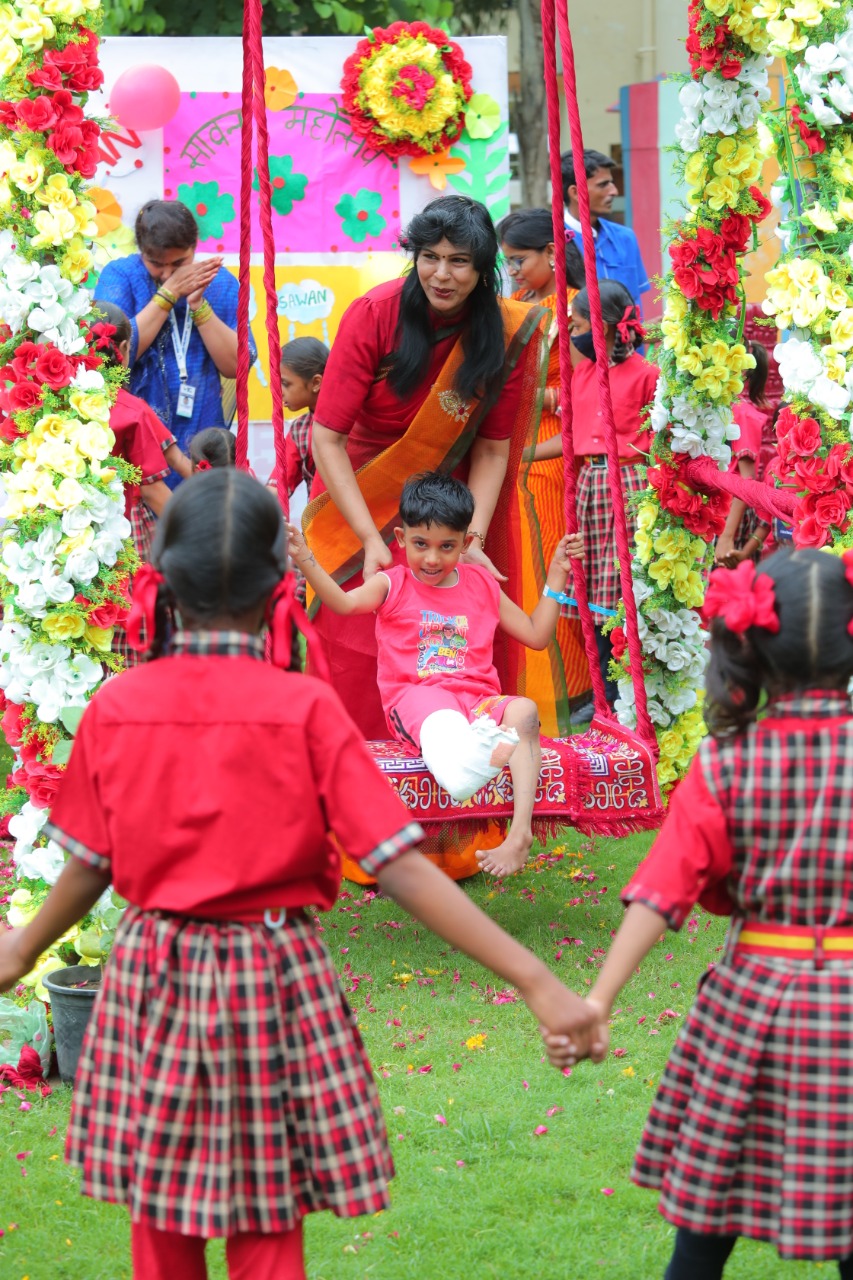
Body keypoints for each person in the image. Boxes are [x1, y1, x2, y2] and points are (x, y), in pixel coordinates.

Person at [0, 469, 596, 1280]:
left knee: (161, 1219)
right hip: (270, 970)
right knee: (266, 1215)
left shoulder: (118, 705)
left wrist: (21, 948)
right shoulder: (305, 709)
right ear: (279, 579)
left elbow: (89, 865)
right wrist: (536, 980)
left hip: (153, 973)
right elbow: (401, 870)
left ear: (162, 577)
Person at [545, 548, 853, 1278]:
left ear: (746, 644)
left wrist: (596, 1001)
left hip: (754, 1001)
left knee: (706, 1218)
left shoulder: (725, 763)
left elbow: (662, 891)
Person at [305, 195, 566, 739]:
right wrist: (370, 539)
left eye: (459, 261)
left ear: (484, 266)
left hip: (449, 512)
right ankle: (355, 797)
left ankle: (453, 805)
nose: (441, 275)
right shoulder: (374, 314)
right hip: (362, 497)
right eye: (430, 257)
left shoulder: (503, 329)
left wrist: (470, 539)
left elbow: (494, 450)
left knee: (456, 645)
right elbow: (327, 438)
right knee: (353, 645)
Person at [291, 470, 584, 877]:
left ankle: (519, 835)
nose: (432, 558)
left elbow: (536, 635)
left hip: (479, 704)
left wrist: (557, 576)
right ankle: (480, 757)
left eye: (447, 547)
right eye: (421, 544)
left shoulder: (481, 582)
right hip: (419, 700)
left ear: (466, 543)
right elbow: (341, 603)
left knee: (525, 713)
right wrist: (305, 559)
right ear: (400, 539)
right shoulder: (390, 585)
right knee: (450, 724)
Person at [535, 279, 659, 715]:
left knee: (622, 594)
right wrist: (522, 454)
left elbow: (660, 443)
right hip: (591, 487)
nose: (572, 327)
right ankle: (604, 696)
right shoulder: (583, 371)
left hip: (627, 488)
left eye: (580, 321)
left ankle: (624, 697)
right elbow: (573, 437)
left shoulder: (647, 376)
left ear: (605, 327)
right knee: (593, 592)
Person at [497, 207, 590, 704]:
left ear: (553, 253)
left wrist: (534, 397)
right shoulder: (517, 300)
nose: (512, 272)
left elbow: (586, 389)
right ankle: (522, 676)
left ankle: (567, 684)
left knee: (548, 559)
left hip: (553, 451)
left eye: (519, 260)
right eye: (507, 263)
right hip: (511, 446)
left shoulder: (574, 309)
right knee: (516, 561)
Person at [94, 199, 254, 483]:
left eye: (179, 263)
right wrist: (168, 294)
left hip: (203, 433)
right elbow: (110, 360)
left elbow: (236, 367)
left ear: (195, 246)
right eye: (156, 264)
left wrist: (198, 305)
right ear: (141, 251)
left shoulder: (220, 283)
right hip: (136, 434)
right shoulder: (120, 277)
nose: (168, 273)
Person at [87, 300, 190, 562]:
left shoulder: (59, 404)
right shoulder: (132, 410)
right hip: (120, 528)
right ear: (123, 349)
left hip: (68, 527)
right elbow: (151, 489)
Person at [561, 149, 650, 311]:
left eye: (612, 183)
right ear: (575, 192)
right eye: (603, 185)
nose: (614, 191)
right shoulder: (553, 243)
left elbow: (637, 304)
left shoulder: (626, 238)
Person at [714, 343, 773, 567]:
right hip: (717, 515)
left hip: (731, 520)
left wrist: (727, 536)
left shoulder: (743, 414)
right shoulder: (721, 408)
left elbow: (745, 481)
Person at [268, 335, 328, 498]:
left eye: (286, 384)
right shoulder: (299, 430)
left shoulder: (354, 423)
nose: (279, 392)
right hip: (317, 522)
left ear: (316, 383)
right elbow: (278, 487)